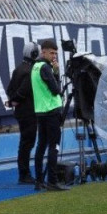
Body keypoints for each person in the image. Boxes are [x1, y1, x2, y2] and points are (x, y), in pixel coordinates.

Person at [13, 39, 69, 191]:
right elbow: (56, 90)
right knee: (54, 146)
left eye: (56, 54)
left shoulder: (35, 67)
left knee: (41, 146)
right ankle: (52, 181)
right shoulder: (45, 67)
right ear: (43, 51)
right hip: (51, 110)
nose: (54, 56)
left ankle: (39, 180)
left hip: (40, 112)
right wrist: (56, 73)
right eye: (52, 53)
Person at [6, 42, 39, 185]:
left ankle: (24, 173)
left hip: (21, 112)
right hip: (28, 112)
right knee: (27, 143)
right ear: (34, 54)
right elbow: (23, 91)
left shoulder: (18, 69)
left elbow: (10, 90)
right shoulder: (31, 71)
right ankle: (24, 174)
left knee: (25, 143)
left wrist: (13, 100)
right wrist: (16, 99)